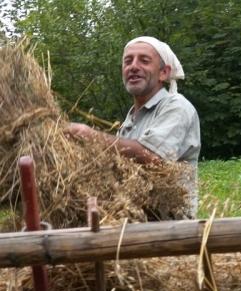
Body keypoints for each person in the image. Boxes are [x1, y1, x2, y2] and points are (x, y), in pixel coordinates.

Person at [66, 36, 201, 218]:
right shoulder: (131, 119)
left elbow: (155, 158)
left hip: (170, 228)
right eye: (128, 61)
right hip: (136, 222)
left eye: (144, 61)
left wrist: (89, 135)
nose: (133, 66)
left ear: (164, 73)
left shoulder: (176, 106)